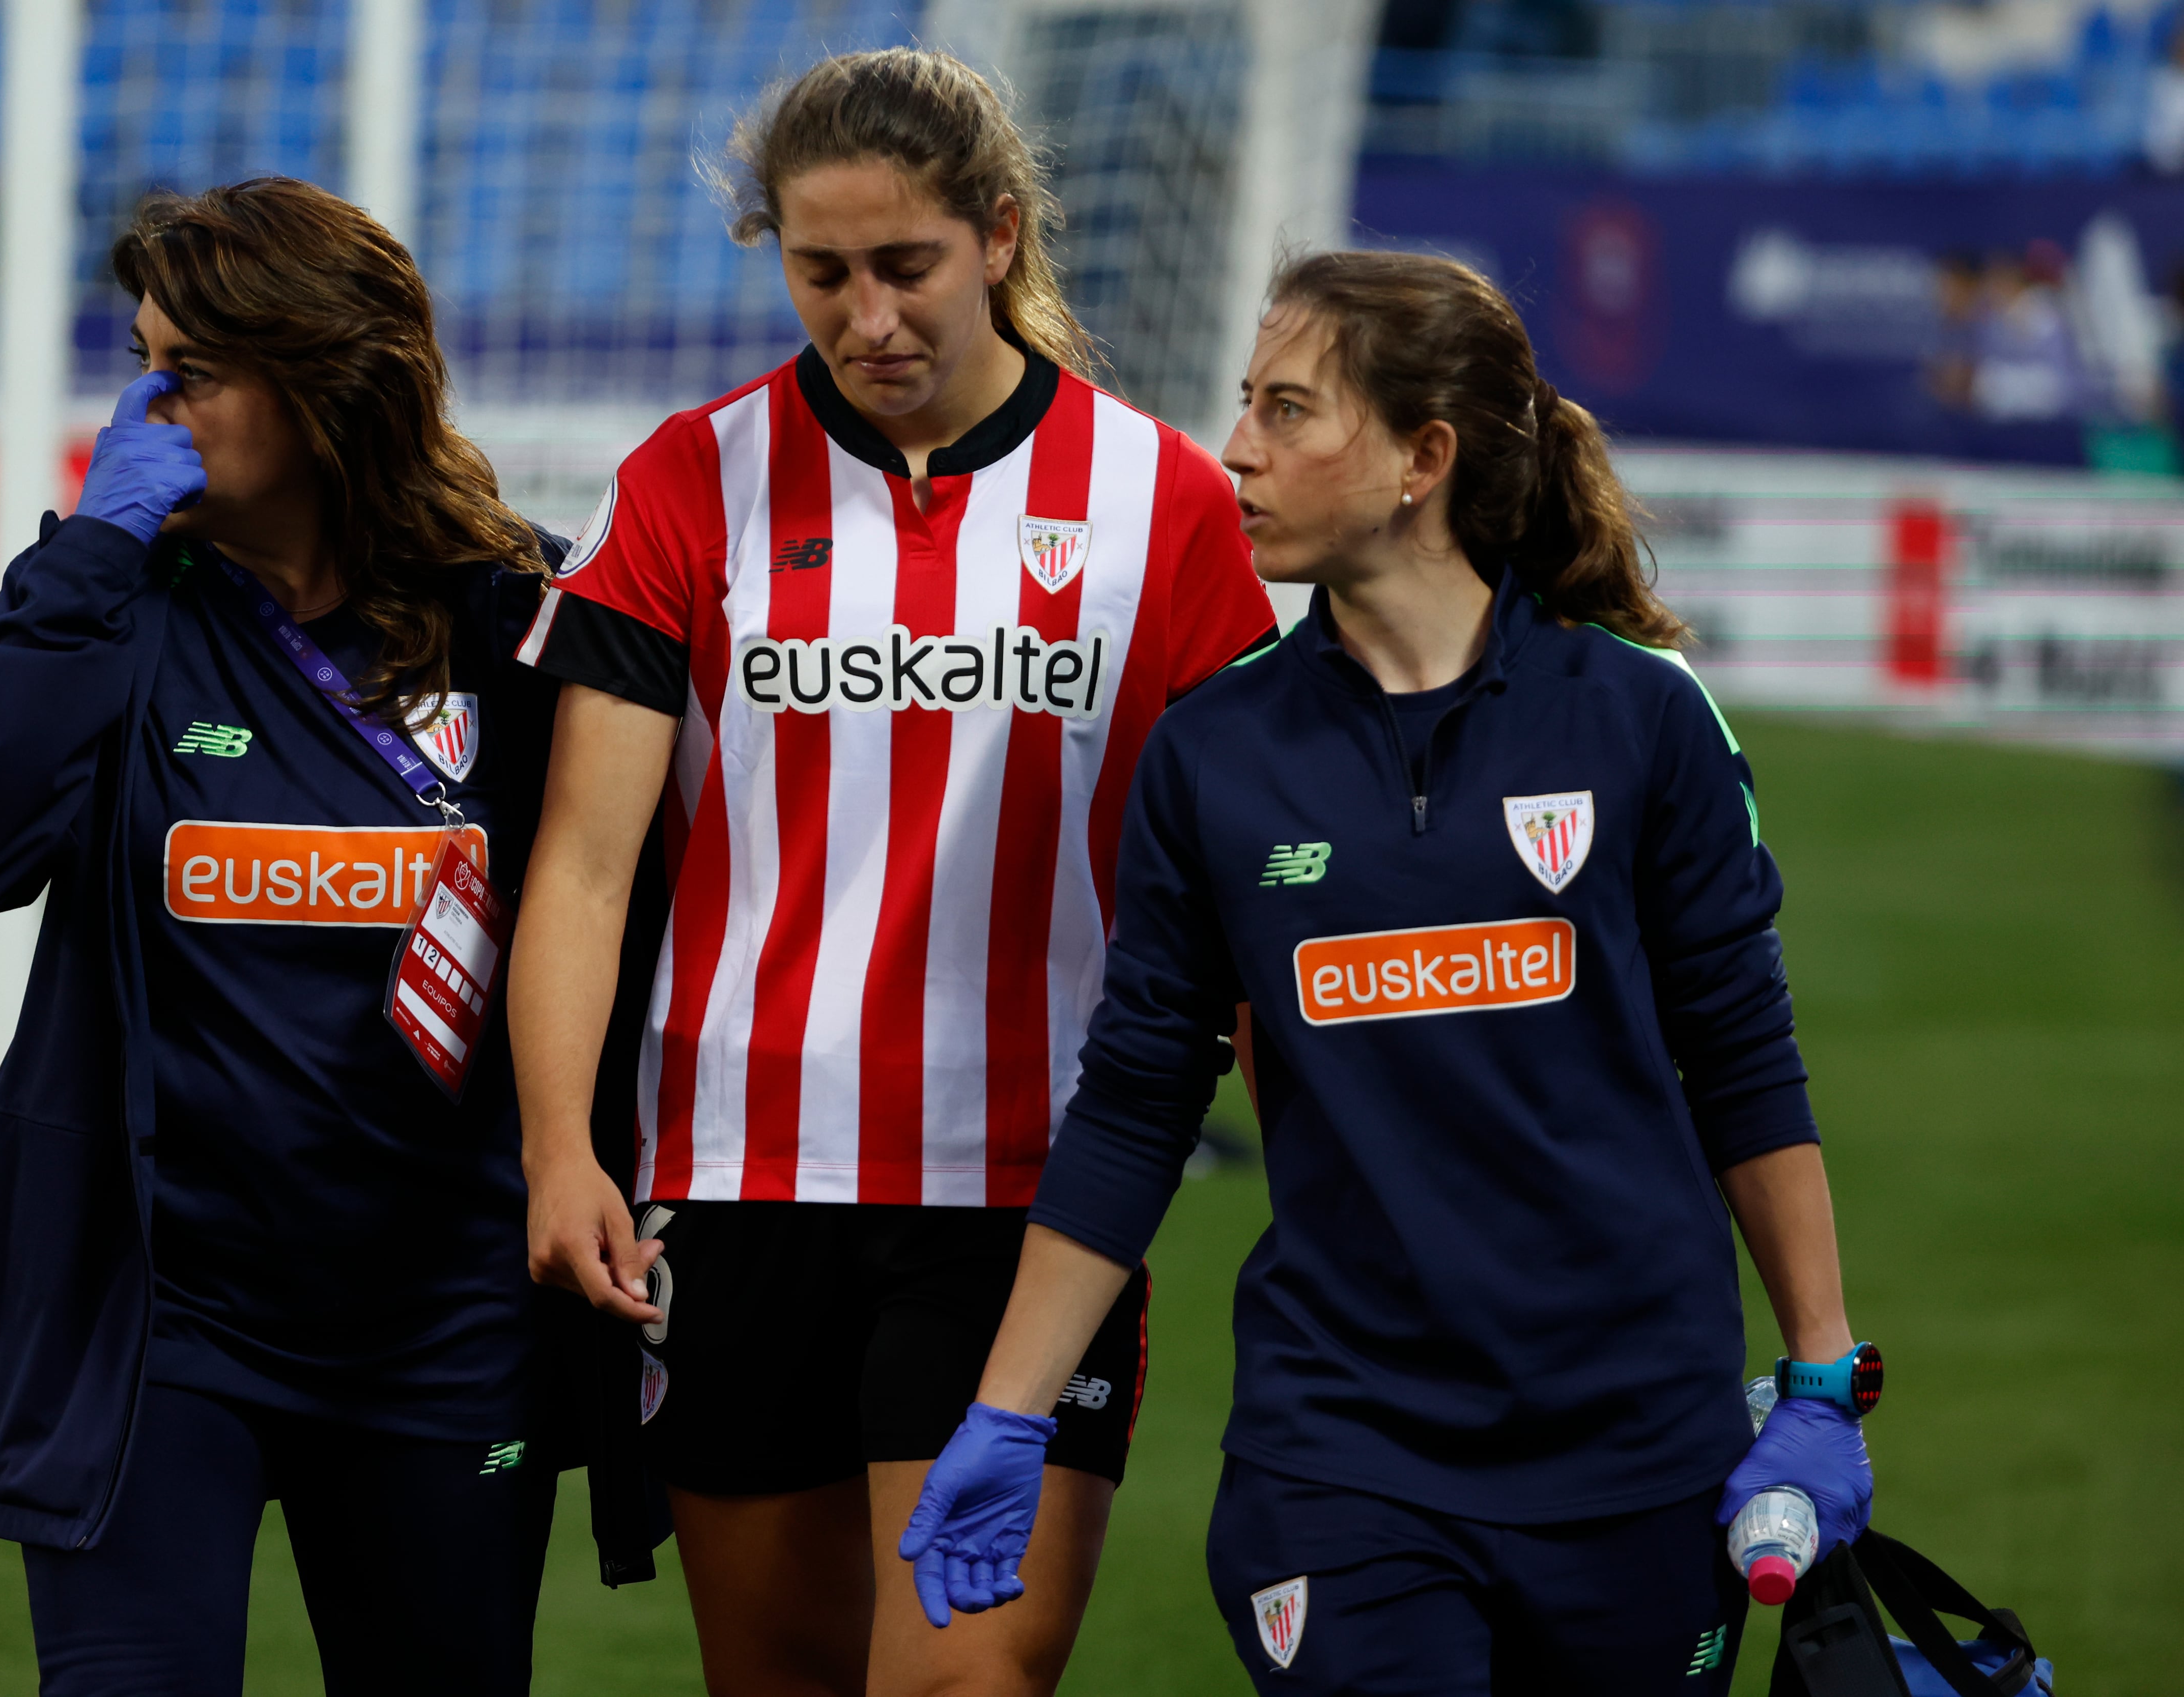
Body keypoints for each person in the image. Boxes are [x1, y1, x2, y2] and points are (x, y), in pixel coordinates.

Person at [900, 250, 1879, 1695]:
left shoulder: (1642, 722)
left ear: (1426, 457)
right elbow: (1137, 1106)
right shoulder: (1213, 756)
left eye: (1289, 411)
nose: (1238, 445)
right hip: (1342, 1454)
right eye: (1246, 404)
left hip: (1642, 1449)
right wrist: (1008, 1412)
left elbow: (1740, 1055)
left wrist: (1819, 1375)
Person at [506, 47, 1279, 1697]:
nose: (867, 318)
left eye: (906, 266)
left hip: (1032, 1200)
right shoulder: (682, 482)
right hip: (731, 1190)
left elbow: (1251, 885)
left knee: (959, 1684)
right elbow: (582, 862)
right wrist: (562, 1147)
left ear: (999, 236)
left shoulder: (1166, 505)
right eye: (822, 273)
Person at [0, 178, 595, 1695]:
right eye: (135, 361)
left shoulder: (517, 615)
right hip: (157, 1328)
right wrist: (84, 562)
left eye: (188, 373)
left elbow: (622, 912)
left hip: (444, 1321)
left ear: (327, 384)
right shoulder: (113, 602)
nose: (147, 410)